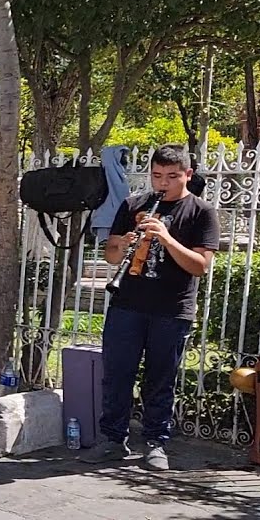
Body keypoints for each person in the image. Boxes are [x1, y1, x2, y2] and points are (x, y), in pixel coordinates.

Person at [82, 144, 219, 471]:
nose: (163, 183)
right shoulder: (133, 205)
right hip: (127, 305)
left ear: (187, 175)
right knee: (116, 375)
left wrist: (167, 237)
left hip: (172, 309)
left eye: (172, 177)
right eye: (157, 176)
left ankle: (156, 442)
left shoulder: (201, 212)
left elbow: (200, 265)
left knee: (160, 378)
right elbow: (111, 256)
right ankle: (113, 440)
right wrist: (124, 242)